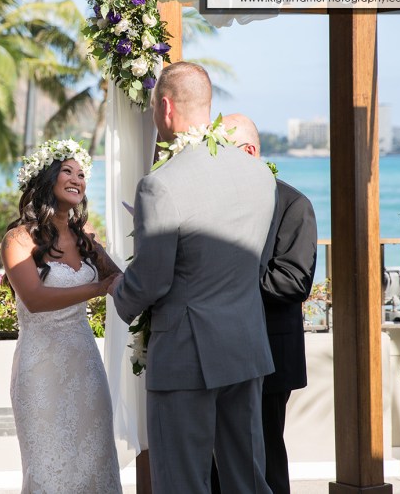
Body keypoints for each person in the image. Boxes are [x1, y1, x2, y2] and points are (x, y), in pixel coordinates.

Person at [108, 62, 277, 493]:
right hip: (246, 344)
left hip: (187, 355)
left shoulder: (161, 185)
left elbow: (151, 280)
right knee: (248, 479)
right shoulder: (260, 174)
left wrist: (117, 292)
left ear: (165, 107)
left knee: (182, 481)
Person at [1, 138, 123, 493]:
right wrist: (97, 289)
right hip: (40, 367)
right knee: (48, 463)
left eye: (82, 174)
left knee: (94, 458)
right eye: (67, 171)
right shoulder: (18, 240)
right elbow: (35, 299)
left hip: (85, 362)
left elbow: (120, 282)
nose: (78, 179)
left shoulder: (86, 240)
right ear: (47, 179)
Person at [210, 114, 317, 494]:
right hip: (218, 352)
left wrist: (224, 278)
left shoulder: (292, 204)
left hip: (270, 354)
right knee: (217, 464)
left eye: (217, 153)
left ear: (249, 152)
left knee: (265, 459)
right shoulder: (214, 204)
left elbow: (293, 281)